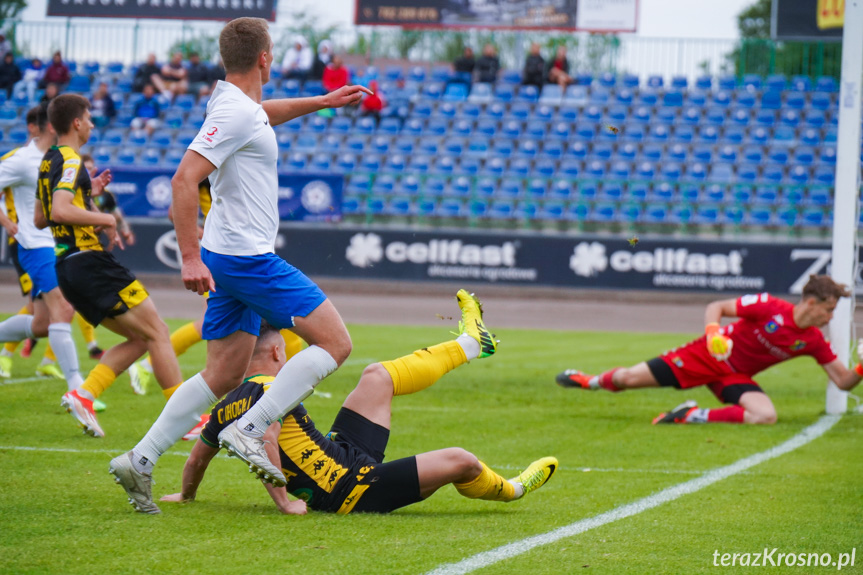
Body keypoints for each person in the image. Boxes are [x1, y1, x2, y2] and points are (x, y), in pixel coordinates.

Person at [108, 16, 373, 515]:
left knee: (223, 372)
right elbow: (184, 181)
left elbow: (262, 115)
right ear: (265, 58)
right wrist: (188, 256)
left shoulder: (237, 106)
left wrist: (322, 101)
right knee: (337, 343)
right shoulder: (234, 112)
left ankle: (140, 458)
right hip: (245, 258)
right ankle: (251, 428)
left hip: (230, 255)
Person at [161, 292, 556, 515]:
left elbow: (197, 460)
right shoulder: (268, 391)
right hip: (351, 489)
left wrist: (186, 495)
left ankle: (472, 344)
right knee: (461, 460)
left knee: (377, 377)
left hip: (342, 453)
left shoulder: (227, 404)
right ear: (280, 354)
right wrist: (284, 503)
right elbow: (265, 435)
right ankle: (515, 488)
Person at [37, 94, 191, 439]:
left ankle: (84, 394)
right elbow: (60, 211)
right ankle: (184, 419)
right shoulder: (71, 158)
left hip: (66, 265)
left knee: (141, 338)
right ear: (76, 123)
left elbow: (40, 216)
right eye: (89, 118)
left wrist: (86, 193)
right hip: (89, 261)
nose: (92, 123)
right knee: (158, 332)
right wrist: (104, 217)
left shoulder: (48, 162)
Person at [555, 275, 863, 425]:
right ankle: (589, 380)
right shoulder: (769, 306)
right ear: (811, 303)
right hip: (704, 355)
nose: (831, 317)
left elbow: (843, 381)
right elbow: (717, 306)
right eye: (829, 309)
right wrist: (713, 333)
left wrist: (861, 366)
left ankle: (690, 414)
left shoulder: (811, 340)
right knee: (626, 380)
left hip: (735, 375)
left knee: (766, 416)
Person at [0, 103, 87, 393]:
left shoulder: (58, 158)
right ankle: (79, 391)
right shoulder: (21, 159)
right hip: (35, 245)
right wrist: (6, 221)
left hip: (59, 244)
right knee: (64, 307)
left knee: (40, 324)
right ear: (49, 126)